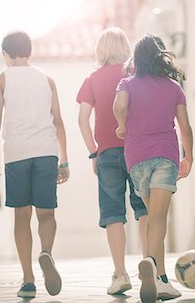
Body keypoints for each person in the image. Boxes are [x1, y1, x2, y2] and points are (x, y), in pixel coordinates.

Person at [0, 30, 69, 298]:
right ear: (30, 52)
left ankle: (28, 279)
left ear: (5, 54)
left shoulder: (0, 80)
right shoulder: (47, 80)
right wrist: (64, 159)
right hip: (46, 152)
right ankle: (46, 252)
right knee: (47, 214)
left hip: (17, 153)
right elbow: (58, 120)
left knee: (21, 217)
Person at [113, 34, 193, 302]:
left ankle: (158, 275)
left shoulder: (126, 83)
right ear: (160, 56)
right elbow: (185, 126)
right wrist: (188, 156)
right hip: (164, 157)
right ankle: (157, 274)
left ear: (137, 59)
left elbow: (120, 105)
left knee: (152, 217)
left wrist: (122, 125)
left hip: (135, 158)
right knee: (159, 219)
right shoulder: (173, 87)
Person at [76, 27, 148, 295]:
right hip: (138, 149)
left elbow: (82, 119)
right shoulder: (135, 74)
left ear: (100, 50)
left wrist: (93, 151)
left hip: (107, 154)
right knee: (144, 209)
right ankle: (148, 264)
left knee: (113, 214)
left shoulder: (92, 79)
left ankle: (120, 274)